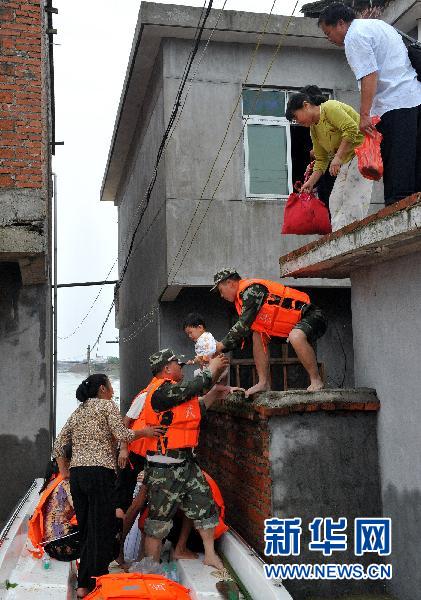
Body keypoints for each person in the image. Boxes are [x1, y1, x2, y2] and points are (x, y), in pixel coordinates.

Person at [53, 374, 163, 598]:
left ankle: (83, 584)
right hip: (99, 474)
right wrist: (145, 432)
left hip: (78, 475)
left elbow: (58, 445)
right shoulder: (106, 406)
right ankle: (95, 582)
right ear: (103, 389)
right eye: (111, 386)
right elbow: (122, 434)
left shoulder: (79, 411)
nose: (113, 390)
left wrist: (65, 472)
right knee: (101, 529)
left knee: (85, 529)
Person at [318, 3, 421, 206]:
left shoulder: (354, 37)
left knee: (397, 165)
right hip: (414, 97)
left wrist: (364, 115)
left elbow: (369, 74)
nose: (329, 39)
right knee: (413, 162)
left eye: (328, 32)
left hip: (394, 104)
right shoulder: (378, 26)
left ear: (340, 23)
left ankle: (397, 209)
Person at [140, 348, 229, 571]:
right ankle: (151, 570)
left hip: (186, 463)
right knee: (158, 522)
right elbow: (191, 387)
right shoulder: (160, 392)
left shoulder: (177, 394)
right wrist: (210, 371)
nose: (181, 367)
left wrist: (216, 391)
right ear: (166, 368)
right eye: (177, 364)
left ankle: (209, 555)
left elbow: (196, 408)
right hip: (164, 467)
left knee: (205, 506)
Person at [212, 269, 327, 397]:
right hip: (288, 327)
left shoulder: (251, 290)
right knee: (258, 334)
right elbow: (242, 335)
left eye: (221, 290)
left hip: (311, 315)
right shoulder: (241, 299)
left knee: (296, 336)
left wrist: (221, 346)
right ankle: (263, 383)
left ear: (230, 283)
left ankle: (316, 380)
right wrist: (221, 348)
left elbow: (242, 326)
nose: (221, 295)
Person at [286, 86, 373, 230]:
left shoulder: (329, 107)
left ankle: (354, 233)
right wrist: (310, 182)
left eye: (296, 117)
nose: (297, 122)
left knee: (355, 198)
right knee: (335, 201)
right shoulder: (314, 129)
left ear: (306, 106)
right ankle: (339, 236)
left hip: (362, 153)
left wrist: (338, 157)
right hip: (346, 161)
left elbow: (351, 128)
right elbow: (321, 159)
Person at [28, 452, 77, 561]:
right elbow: (79, 509)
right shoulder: (66, 482)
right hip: (61, 545)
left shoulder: (52, 481)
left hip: (49, 544)